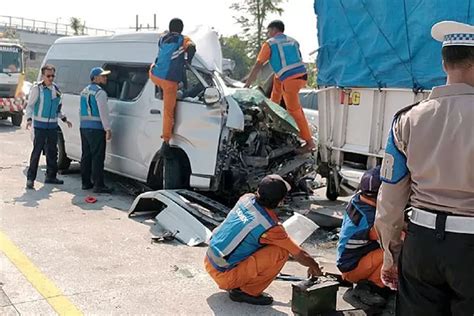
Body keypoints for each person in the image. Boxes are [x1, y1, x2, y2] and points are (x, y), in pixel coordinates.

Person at [375, 21, 474, 316]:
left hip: (421, 244)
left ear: (444, 63)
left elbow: (390, 196)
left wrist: (390, 254)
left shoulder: (406, 120)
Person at [205, 174, 322, 306]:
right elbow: (298, 253)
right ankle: (247, 292)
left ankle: (240, 280)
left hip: (210, 261)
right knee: (280, 252)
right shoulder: (269, 227)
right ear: (280, 201)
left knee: (260, 241)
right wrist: (314, 266)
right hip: (224, 275)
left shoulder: (246, 199)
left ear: (258, 190)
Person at [245, 20, 315, 153]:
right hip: (301, 76)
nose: (267, 34)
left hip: (290, 79)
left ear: (273, 30)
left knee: (294, 110)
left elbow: (258, 65)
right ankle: (272, 111)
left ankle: (309, 142)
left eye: (268, 31)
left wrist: (248, 84)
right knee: (276, 81)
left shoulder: (270, 44)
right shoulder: (293, 41)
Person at [149, 18, 196, 189]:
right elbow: (192, 48)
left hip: (154, 75)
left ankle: (165, 89)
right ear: (182, 29)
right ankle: (166, 140)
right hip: (169, 81)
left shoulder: (163, 38)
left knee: (158, 70)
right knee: (169, 112)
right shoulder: (183, 39)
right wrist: (187, 61)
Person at [337, 166, 392, 307]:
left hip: (350, 260)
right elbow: (395, 236)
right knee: (395, 251)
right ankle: (372, 288)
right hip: (352, 268)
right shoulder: (370, 220)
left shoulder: (357, 200)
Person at [25, 64, 72, 190]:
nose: (51, 78)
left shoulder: (56, 90)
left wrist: (64, 118)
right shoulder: (37, 89)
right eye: (48, 76)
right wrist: (29, 119)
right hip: (40, 126)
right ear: (43, 76)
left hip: (52, 126)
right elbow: (30, 106)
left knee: (53, 152)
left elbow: (57, 108)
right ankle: (30, 179)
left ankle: (51, 176)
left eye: (52, 76)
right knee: (37, 152)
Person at [79, 67, 113, 194]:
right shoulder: (100, 93)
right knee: (97, 157)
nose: (105, 78)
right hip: (96, 128)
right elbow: (103, 112)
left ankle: (86, 182)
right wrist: (107, 129)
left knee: (86, 156)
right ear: (95, 78)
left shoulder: (84, 91)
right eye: (102, 76)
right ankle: (99, 185)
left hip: (84, 127)